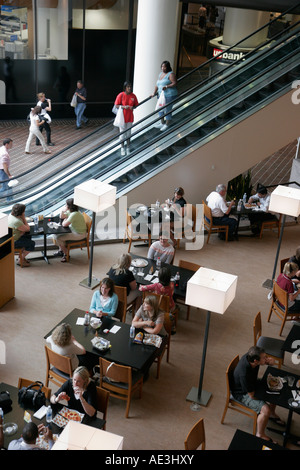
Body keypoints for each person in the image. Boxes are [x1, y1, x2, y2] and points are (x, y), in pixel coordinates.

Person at [231, 346, 285, 442]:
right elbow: (251, 395)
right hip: (243, 393)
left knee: (274, 388)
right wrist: (266, 397)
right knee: (266, 410)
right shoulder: (244, 374)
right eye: (264, 358)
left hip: (252, 384)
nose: (266, 358)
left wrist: (270, 362)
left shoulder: (251, 356)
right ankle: (260, 434)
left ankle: (272, 414)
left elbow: (265, 361)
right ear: (256, 361)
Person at [53, 198, 87, 263]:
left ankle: (66, 254)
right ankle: (61, 251)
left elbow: (64, 225)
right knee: (55, 234)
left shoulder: (74, 214)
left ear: (69, 206)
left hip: (79, 234)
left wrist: (65, 220)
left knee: (59, 238)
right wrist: (63, 211)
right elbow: (62, 217)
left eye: (66, 205)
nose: (65, 206)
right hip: (74, 230)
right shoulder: (72, 211)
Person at [151, 60, 178, 131]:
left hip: (169, 95)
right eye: (162, 66)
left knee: (167, 109)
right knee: (160, 109)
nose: (163, 68)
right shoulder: (160, 74)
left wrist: (167, 86)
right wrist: (154, 93)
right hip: (161, 95)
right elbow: (157, 85)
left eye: (165, 67)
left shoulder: (171, 74)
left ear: (168, 67)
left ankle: (167, 124)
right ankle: (162, 123)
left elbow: (174, 83)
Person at [114, 81, 139, 156]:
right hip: (122, 117)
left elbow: (136, 105)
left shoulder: (133, 96)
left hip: (130, 117)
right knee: (122, 134)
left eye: (130, 86)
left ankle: (128, 147)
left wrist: (133, 107)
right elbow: (116, 105)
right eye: (128, 87)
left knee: (128, 134)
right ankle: (122, 148)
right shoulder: (121, 95)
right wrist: (124, 106)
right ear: (125, 88)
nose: (129, 88)